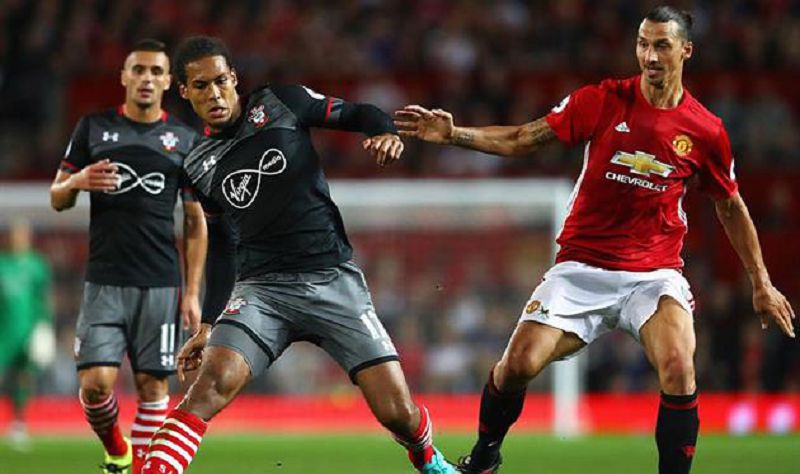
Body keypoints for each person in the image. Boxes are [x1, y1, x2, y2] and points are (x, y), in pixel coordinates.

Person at [395, 6, 796, 474]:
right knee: (518, 365)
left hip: (653, 275)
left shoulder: (706, 130)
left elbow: (730, 205)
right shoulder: (602, 100)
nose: (650, 56)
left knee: (679, 366)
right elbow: (523, 138)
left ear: (686, 50)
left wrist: (761, 283)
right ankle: (485, 457)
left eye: (662, 45)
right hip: (581, 268)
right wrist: (454, 135)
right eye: (643, 44)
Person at [139, 36, 456, 474]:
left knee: (397, 412)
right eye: (201, 86)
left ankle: (427, 456)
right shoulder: (196, 163)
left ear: (234, 78)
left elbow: (359, 113)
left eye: (220, 81)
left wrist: (382, 131)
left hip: (332, 280)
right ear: (184, 91)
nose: (214, 94)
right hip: (261, 292)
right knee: (209, 386)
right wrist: (209, 323)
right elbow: (222, 244)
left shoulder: (282, 103)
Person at [49, 39, 207, 474]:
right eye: (138, 70)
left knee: (153, 387)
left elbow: (195, 221)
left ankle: (137, 469)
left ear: (169, 82)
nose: (146, 79)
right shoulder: (93, 128)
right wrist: (77, 181)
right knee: (95, 386)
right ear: (124, 76)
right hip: (104, 280)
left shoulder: (185, 140)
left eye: (156, 72)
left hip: (161, 282)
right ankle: (116, 448)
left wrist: (193, 292)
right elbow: (57, 198)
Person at [0, 219, 54, 451]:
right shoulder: (2, 264)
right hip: (3, 332)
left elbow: (44, 298)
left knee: (23, 378)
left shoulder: (37, 265)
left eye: (22, 235)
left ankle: (18, 424)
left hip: (28, 331)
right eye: (15, 234)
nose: (18, 239)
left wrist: (45, 326)